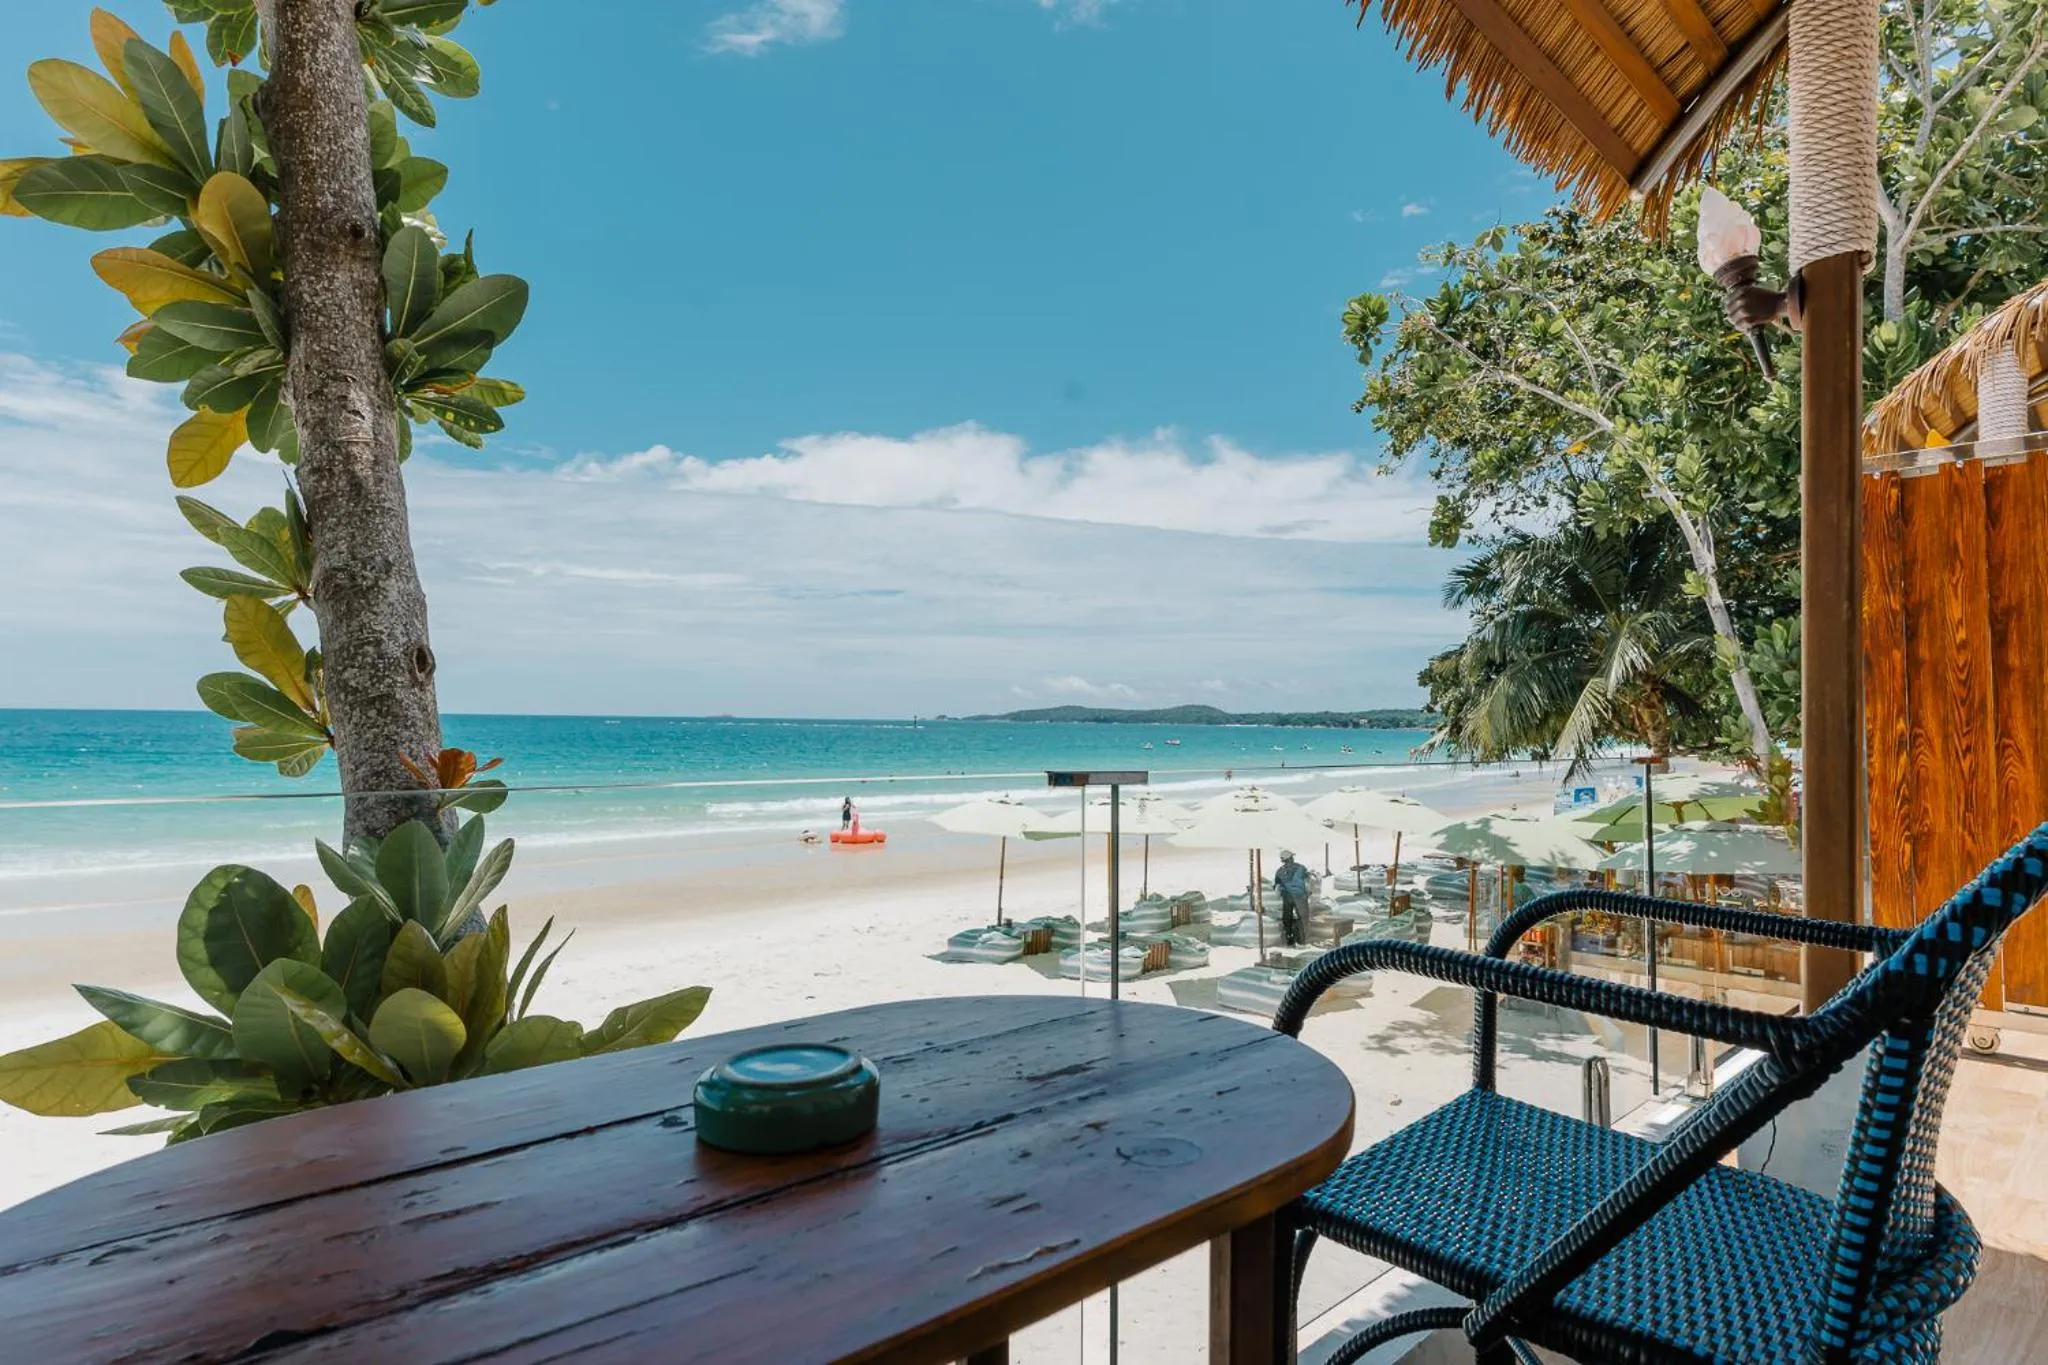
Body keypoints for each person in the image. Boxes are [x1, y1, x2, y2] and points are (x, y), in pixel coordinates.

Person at [1273, 849, 1310, 947]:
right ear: (1291, 858)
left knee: (1287, 918)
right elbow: (1308, 881)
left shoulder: (1279, 871)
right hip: (1300, 896)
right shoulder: (1300, 868)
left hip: (1287, 896)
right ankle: (1302, 940)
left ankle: (1290, 939)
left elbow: (1277, 886)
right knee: (1302, 917)